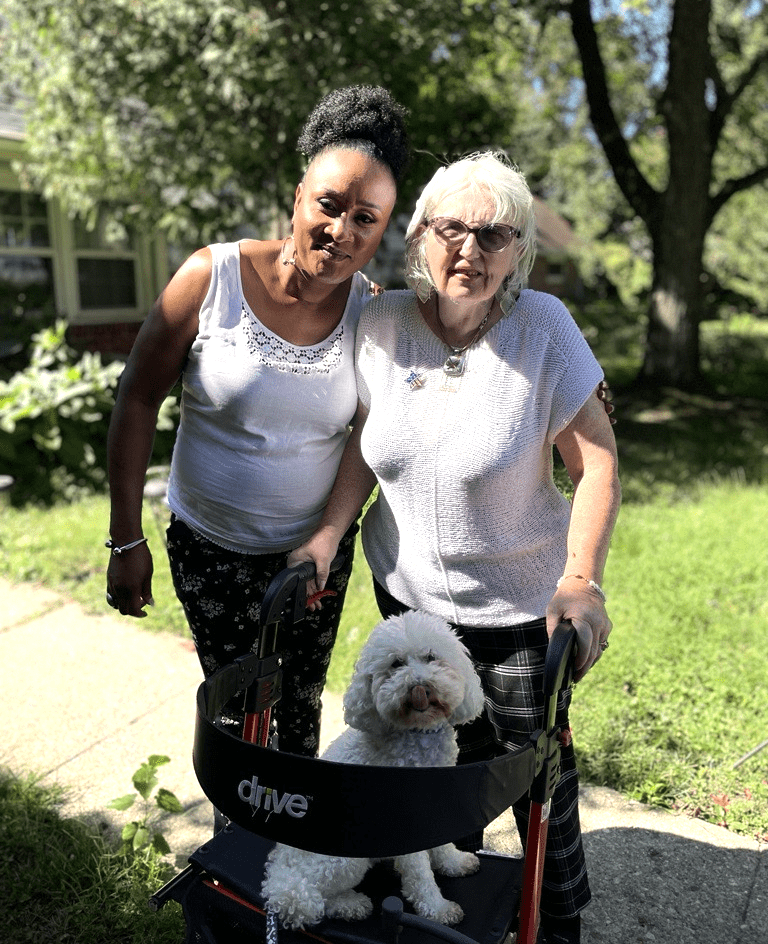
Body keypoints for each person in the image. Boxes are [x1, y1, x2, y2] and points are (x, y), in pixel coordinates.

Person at [290, 151, 621, 943]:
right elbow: (363, 442)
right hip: (408, 606)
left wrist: (582, 580)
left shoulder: (543, 327)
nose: (469, 248)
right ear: (420, 236)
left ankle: (556, 917)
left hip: (517, 612)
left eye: (494, 234)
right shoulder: (382, 321)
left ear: (518, 251)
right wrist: (330, 533)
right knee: (426, 774)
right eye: (451, 228)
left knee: (531, 775)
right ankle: (449, 912)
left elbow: (598, 459)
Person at [105, 84, 409, 757]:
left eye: (367, 218)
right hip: (209, 548)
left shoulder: (374, 312)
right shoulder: (206, 279)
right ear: (298, 197)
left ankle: (295, 854)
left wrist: (329, 537)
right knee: (234, 711)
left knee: (299, 708)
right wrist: (126, 541)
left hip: (312, 559)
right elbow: (135, 399)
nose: (342, 231)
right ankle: (235, 843)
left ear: (383, 228)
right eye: (329, 206)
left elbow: (367, 432)